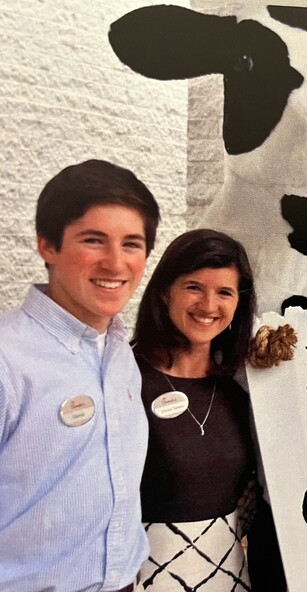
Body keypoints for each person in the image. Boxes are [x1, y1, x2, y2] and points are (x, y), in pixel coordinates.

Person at [0, 159, 160, 591]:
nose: (115, 263)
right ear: (47, 246)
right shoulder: (7, 362)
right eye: (94, 240)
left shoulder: (120, 353)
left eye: (132, 244)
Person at [132, 229, 263, 591]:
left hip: (229, 576)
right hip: (145, 578)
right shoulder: (124, 381)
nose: (208, 306)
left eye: (224, 292)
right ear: (163, 291)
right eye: (194, 287)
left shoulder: (242, 391)